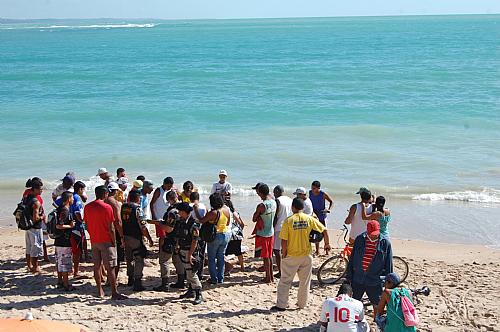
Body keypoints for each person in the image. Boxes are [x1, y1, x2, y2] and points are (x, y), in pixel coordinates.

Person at [272, 198, 331, 311]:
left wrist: (284, 253)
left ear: (292, 207)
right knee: (304, 281)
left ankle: (281, 305)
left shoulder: (288, 221)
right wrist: (327, 244)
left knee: (285, 281)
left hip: (292, 255)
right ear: (303, 208)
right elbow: (324, 230)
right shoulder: (309, 219)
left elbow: (284, 240)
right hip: (306, 255)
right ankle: (302, 304)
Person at [84, 185, 126, 300]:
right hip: (106, 240)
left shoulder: (87, 207)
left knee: (97, 266)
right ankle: (114, 292)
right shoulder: (107, 207)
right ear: (105, 194)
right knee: (111, 267)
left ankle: (99, 290)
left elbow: (86, 225)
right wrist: (114, 241)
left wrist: (93, 234)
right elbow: (111, 227)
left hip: (94, 240)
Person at [346, 220, 393, 314]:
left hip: (374, 280)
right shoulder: (360, 239)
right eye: (371, 233)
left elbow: (389, 264)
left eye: (375, 233)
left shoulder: (385, 243)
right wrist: (349, 276)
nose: (373, 235)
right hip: (358, 278)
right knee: (354, 303)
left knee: (377, 304)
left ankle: (376, 321)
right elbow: (352, 259)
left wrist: (388, 282)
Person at [194, 193, 231, 284]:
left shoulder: (213, 212)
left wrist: (196, 211)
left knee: (211, 258)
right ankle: (220, 278)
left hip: (215, 236)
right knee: (221, 257)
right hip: (225, 234)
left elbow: (202, 220)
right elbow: (228, 222)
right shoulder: (226, 210)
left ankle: (214, 279)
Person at [121, 189, 154, 291]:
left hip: (126, 235)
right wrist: (149, 238)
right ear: (138, 198)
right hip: (135, 237)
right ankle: (137, 282)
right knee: (139, 259)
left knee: (129, 258)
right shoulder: (137, 209)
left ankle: (130, 278)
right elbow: (143, 226)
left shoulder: (123, 207)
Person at [54, 181, 87, 278]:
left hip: (66, 231)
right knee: (76, 251)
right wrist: (81, 220)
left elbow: (55, 204)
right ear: (80, 189)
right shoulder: (76, 198)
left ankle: (65, 275)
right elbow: (78, 212)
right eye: (83, 190)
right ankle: (75, 272)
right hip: (75, 228)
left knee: (66, 253)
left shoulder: (67, 197)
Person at [175, 202, 204, 305]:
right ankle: (191, 291)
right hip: (183, 249)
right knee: (188, 273)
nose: (178, 213)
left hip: (190, 251)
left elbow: (194, 241)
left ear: (184, 212)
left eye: (180, 211)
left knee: (192, 273)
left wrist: (190, 254)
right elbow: (180, 235)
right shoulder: (182, 221)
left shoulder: (194, 223)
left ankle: (199, 293)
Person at [152, 189, 181, 291]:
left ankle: (165, 284)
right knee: (178, 260)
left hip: (171, 238)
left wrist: (160, 224)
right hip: (182, 238)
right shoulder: (184, 208)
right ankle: (181, 281)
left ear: (169, 199)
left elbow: (169, 228)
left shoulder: (172, 211)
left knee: (164, 260)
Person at [252, 183, 276, 283]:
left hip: (263, 233)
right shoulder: (273, 202)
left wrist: (257, 215)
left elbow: (254, 218)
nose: (257, 193)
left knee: (266, 257)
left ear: (260, 192)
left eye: (257, 191)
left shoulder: (261, 206)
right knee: (269, 255)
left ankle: (268, 277)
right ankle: (271, 276)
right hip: (271, 231)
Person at [22, 178, 45, 274]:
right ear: (35, 189)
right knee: (36, 247)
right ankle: (35, 267)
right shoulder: (36, 202)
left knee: (29, 247)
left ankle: (29, 266)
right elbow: (36, 218)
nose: (41, 190)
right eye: (40, 189)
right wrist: (42, 216)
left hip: (27, 226)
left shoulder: (27, 197)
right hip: (35, 227)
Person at [54, 191, 76, 291]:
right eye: (72, 198)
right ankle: (66, 284)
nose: (73, 200)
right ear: (68, 199)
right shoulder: (65, 210)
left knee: (59, 261)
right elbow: (59, 225)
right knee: (65, 262)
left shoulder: (59, 209)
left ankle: (60, 281)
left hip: (59, 240)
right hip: (64, 240)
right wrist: (70, 226)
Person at [272, 185, 293, 279]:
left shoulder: (278, 201)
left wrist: (272, 226)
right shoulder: (290, 199)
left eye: (274, 192)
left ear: (277, 192)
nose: (273, 194)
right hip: (289, 226)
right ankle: (288, 270)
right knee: (286, 250)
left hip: (279, 227)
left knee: (277, 250)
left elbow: (276, 216)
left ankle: (281, 272)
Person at [105, 182, 125, 280]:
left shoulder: (103, 201)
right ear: (116, 191)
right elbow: (118, 221)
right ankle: (112, 279)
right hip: (113, 232)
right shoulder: (115, 203)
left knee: (103, 256)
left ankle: (105, 277)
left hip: (102, 231)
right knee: (115, 257)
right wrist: (122, 236)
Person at [309, 181, 334, 256]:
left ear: (318, 188)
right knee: (315, 233)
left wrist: (329, 209)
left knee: (324, 232)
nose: (312, 189)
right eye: (312, 188)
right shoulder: (310, 193)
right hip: (314, 216)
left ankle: (327, 250)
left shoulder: (322, 194)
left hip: (322, 216)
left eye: (314, 188)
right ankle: (317, 251)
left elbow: (331, 202)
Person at [189, 191, 207, 280]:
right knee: (202, 253)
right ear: (198, 198)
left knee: (193, 252)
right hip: (203, 230)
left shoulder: (189, 206)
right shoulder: (204, 206)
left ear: (190, 198)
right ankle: (200, 273)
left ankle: (193, 271)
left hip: (192, 231)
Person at [224, 200, 245, 274]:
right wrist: (239, 231)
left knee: (225, 252)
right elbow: (242, 224)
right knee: (238, 252)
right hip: (237, 235)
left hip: (231, 235)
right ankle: (242, 267)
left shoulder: (230, 213)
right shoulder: (236, 212)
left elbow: (240, 223)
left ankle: (227, 267)